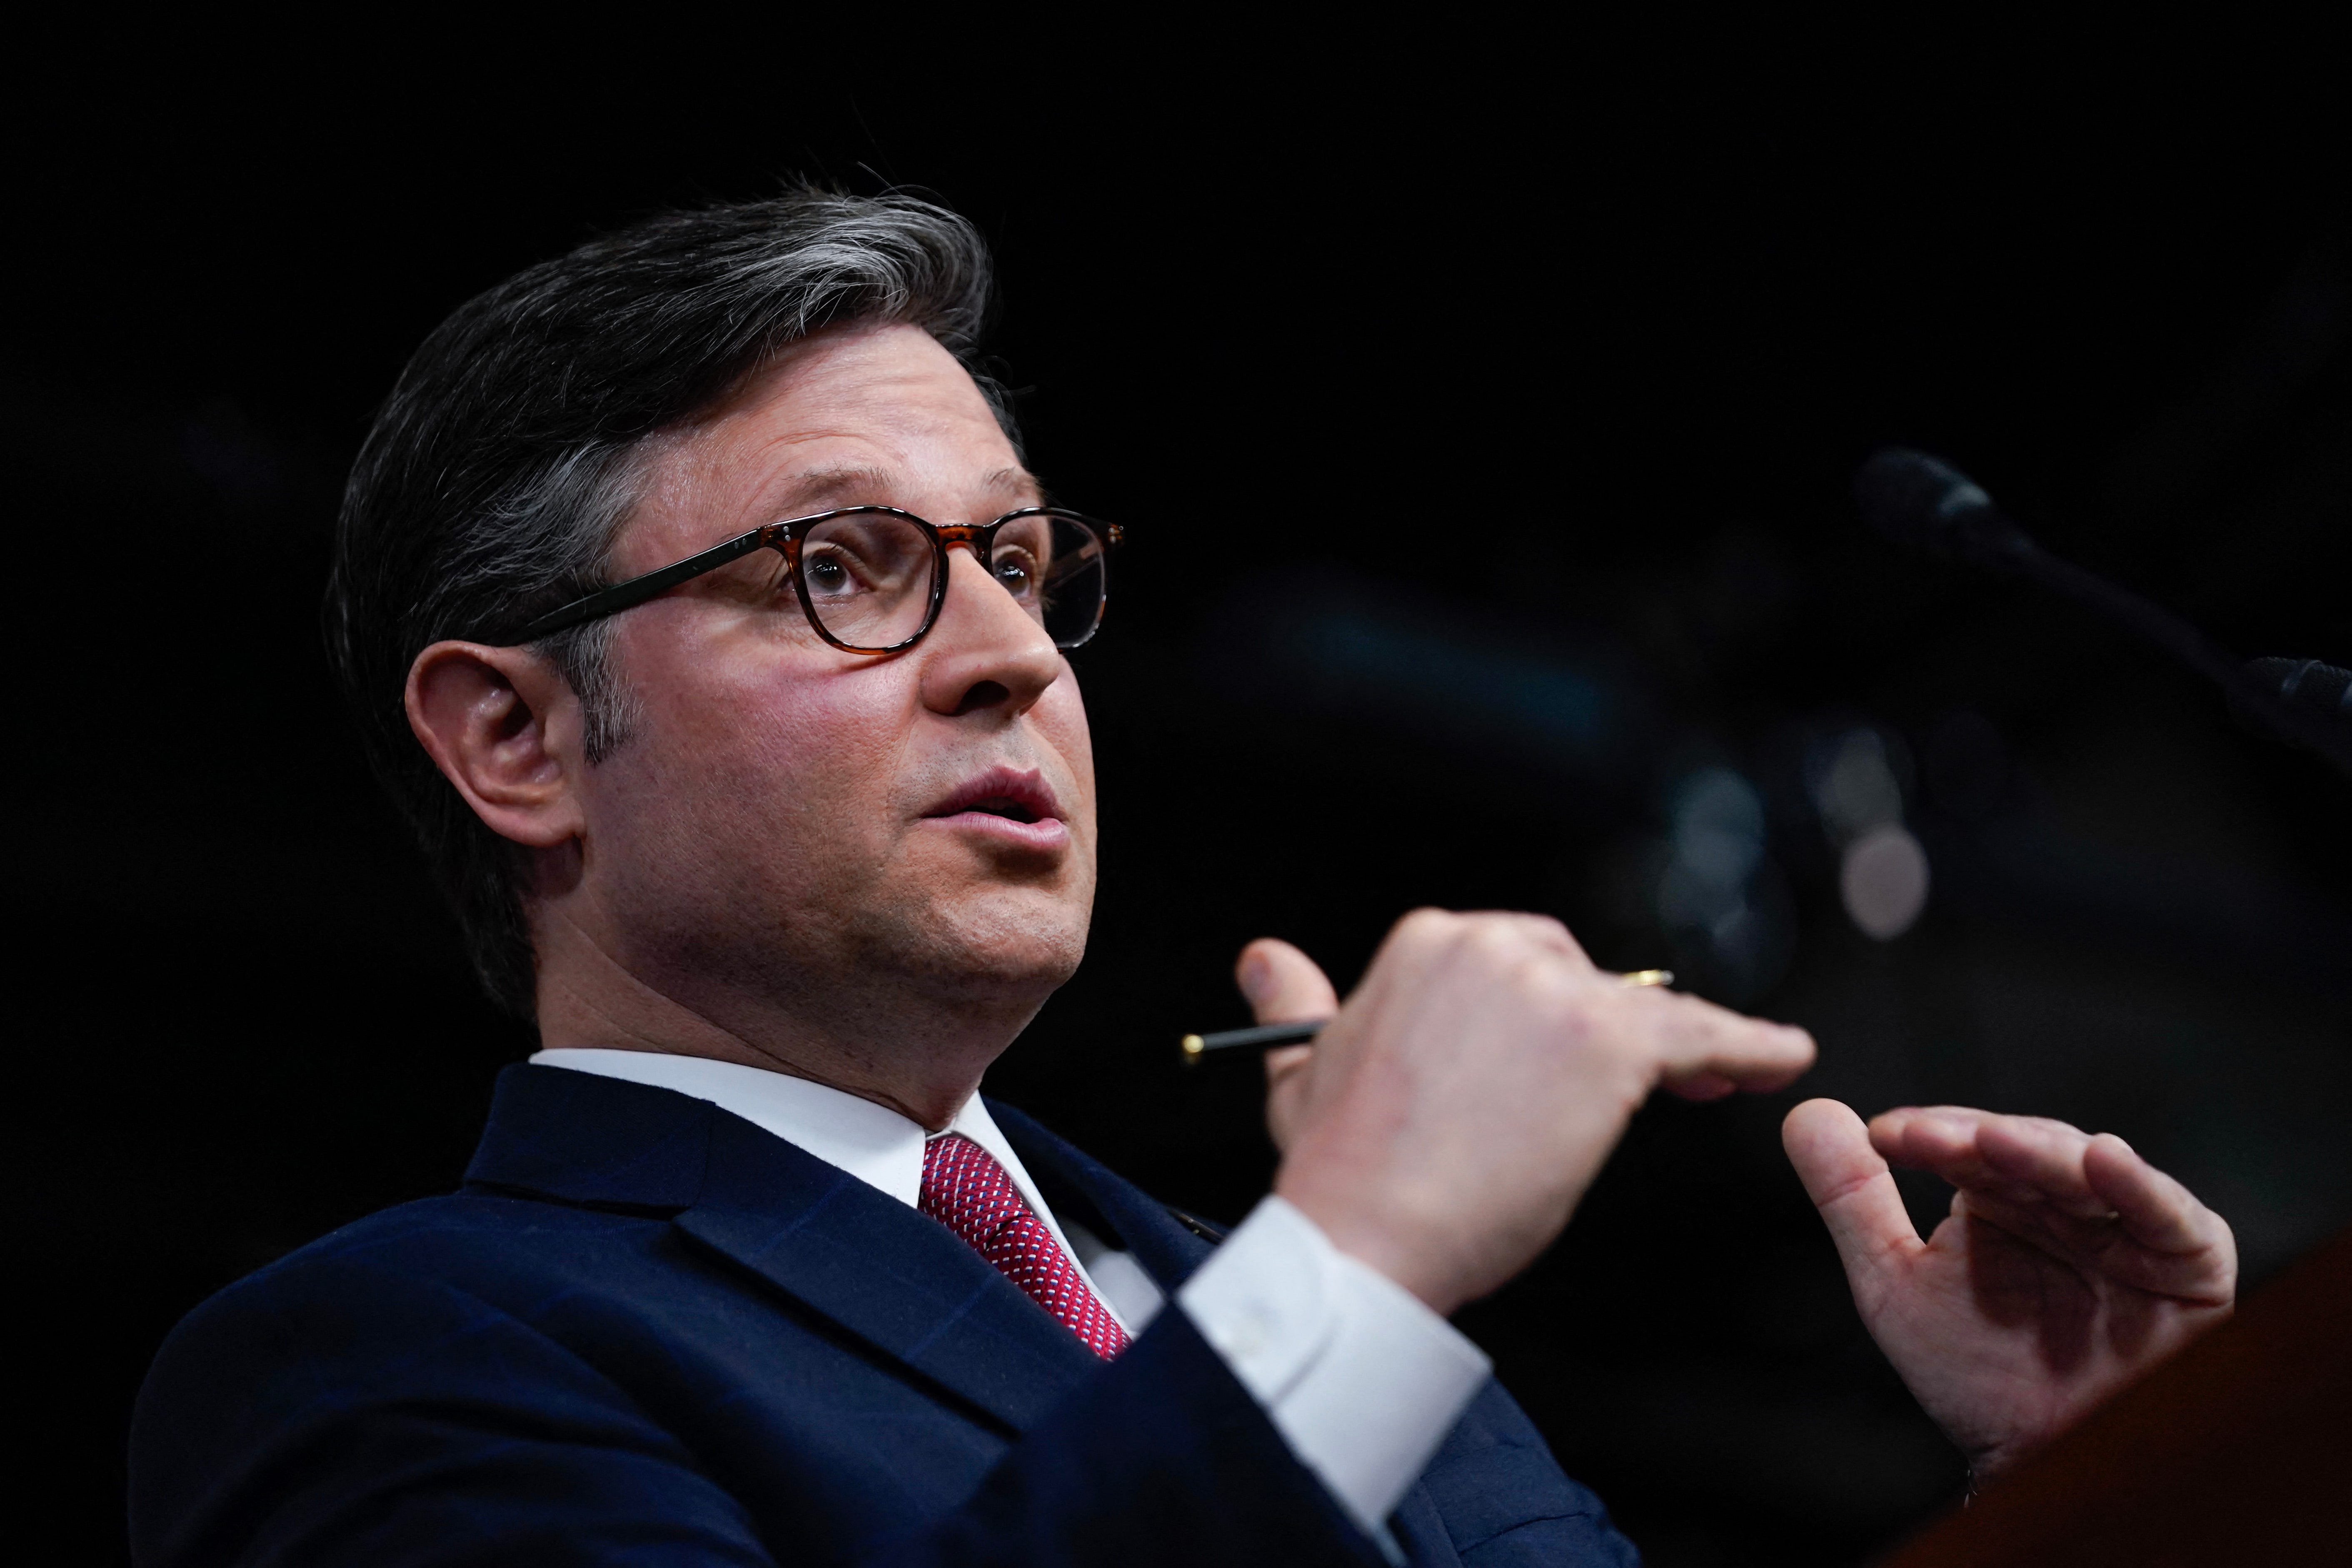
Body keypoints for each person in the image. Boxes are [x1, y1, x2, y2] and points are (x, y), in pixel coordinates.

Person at [128, 190, 2238, 1567]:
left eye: (1026, 564)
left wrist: (2101, 1493)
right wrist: (1359, 1257)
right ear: (515, 737)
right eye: (842, 567)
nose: (1013, 653)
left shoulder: (1309, 1306)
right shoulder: (381, 1358)